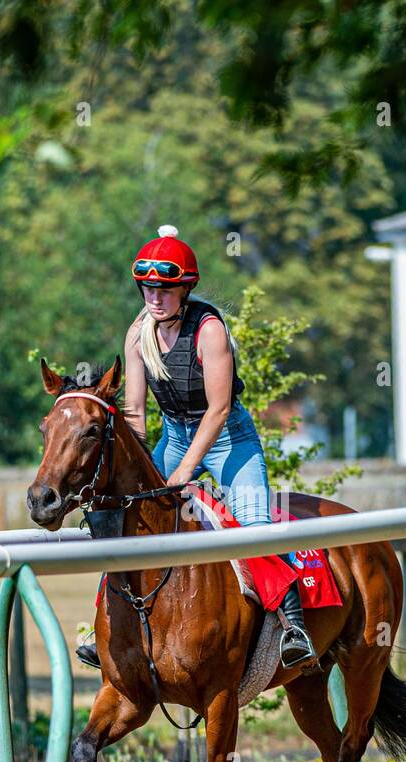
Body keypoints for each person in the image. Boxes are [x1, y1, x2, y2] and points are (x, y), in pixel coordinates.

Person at [75, 224, 316, 671]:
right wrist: (137, 467)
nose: (155, 297)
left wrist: (184, 469)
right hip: (174, 433)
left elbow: (219, 410)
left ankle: (292, 625)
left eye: (165, 289)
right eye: (148, 288)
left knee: (253, 525)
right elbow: (134, 410)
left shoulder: (209, 332)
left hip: (228, 439)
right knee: (130, 519)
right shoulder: (137, 334)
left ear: (185, 289)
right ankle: (101, 624)